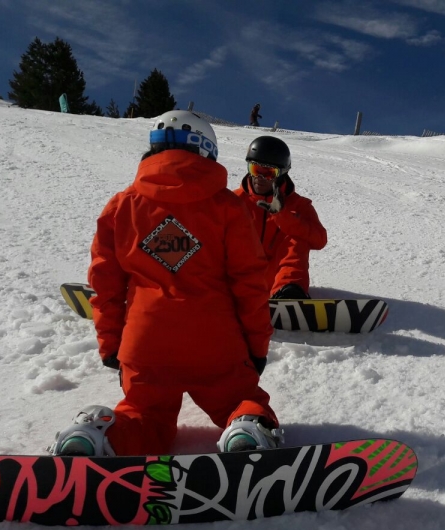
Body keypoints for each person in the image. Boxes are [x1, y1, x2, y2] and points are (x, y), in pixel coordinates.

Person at [49, 111, 283, 457]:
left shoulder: (122, 205)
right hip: (215, 343)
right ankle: (248, 430)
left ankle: (100, 436)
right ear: (206, 151)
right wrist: (257, 347)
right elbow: (250, 285)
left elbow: (105, 286)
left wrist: (111, 344)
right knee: (240, 400)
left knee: (144, 416)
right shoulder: (228, 207)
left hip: (145, 344)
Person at [234, 136, 327, 299]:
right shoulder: (233, 201)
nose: (259, 177)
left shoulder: (299, 205)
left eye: (269, 173)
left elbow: (319, 240)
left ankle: (289, 295)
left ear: (282, 173)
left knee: (297, 238)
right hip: (236, 280)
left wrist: (283, 216)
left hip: (274, 281)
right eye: (255, 169)